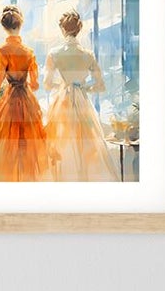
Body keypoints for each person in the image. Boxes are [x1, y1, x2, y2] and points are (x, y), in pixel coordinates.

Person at [0, 6, 49, 181]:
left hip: (10, 103)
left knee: (7, 150)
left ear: (4, 27)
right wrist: (23, 79)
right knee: (27, 150)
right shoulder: (29, 52)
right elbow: (35, 85)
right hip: (27, 102)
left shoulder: (2, 51)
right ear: (20, 25)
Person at [43, 11, 117, 181]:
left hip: (63, 101)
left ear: (63, 29)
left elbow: (47, 84)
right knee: (86, 143)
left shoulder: (54, 53)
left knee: (62, 143)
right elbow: (100, 85)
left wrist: (63, 85)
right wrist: (84, 88)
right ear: (79, 29)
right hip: (82, 102)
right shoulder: (88, 54)